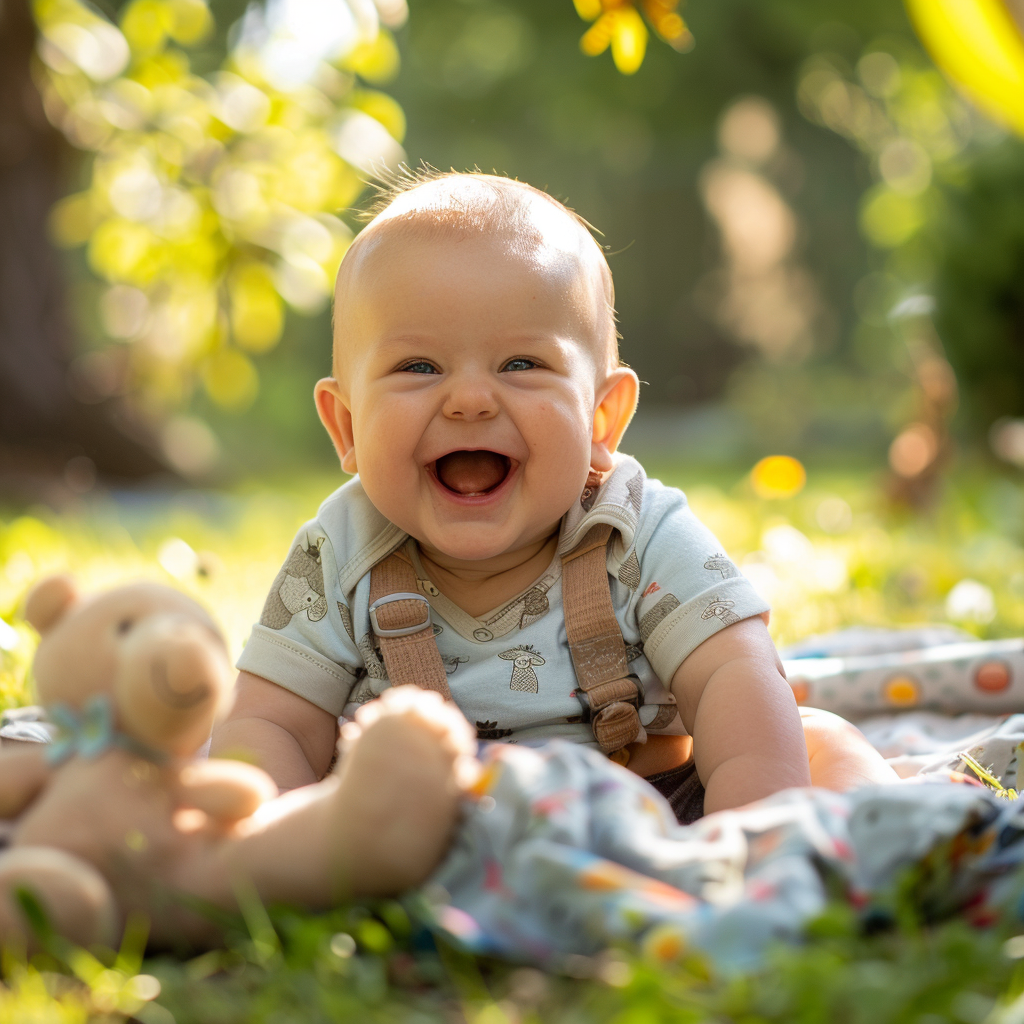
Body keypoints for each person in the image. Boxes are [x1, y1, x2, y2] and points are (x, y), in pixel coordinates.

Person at [210, 170, 897, 819]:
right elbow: (272, 724)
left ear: (601, 419)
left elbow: (732, 674)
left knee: (817, 742)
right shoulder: (338, 554)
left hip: (653, 807)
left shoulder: (637, 530)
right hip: (423, 834)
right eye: (418, 366)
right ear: (347, 426)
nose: (470, 399)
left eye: (521, 363)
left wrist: (752, 824)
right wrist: (276, 838)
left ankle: (825, 846)